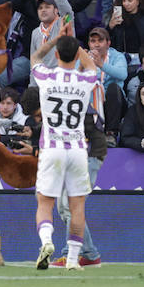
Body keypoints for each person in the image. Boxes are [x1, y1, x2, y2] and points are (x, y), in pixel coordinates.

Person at [31, 35, 99, 271]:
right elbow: (92, 65)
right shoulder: (84, 80)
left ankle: (47, 241)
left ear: (57, 55)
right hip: (78, 149)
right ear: (77, 53)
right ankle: (72, 259)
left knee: (45, 202)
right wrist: (75, 45)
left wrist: (57, 39)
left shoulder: (46, 77)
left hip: (52, 148)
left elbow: (35, 57)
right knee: (77, 206)